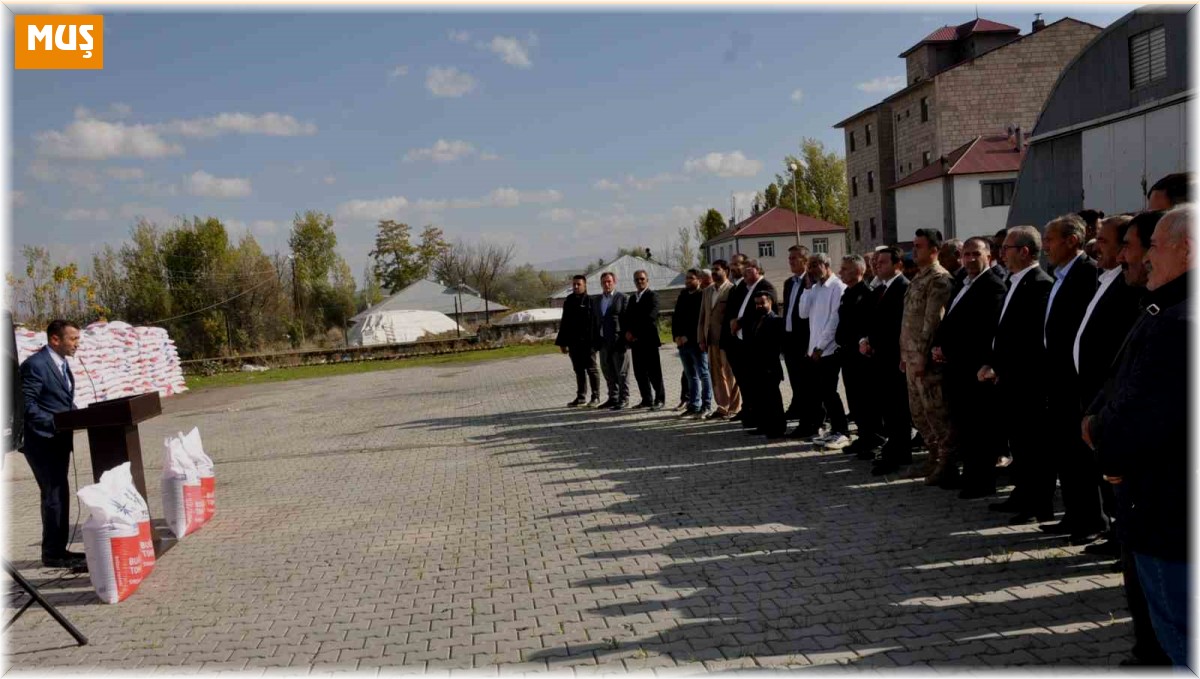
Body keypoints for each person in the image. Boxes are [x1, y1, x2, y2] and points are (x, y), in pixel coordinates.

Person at [1084, 206, 1192, 668]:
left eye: (1154, 248)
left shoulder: (1177, 324)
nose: (1146, 259)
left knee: (1180, 635)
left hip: (1167, 512)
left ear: (1186, 250)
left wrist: (1100, 432)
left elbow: (1143, 416)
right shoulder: (1166, 310)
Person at [978, 226, 1054, 524]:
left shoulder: (1039, 284)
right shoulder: (1014, 281)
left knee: (1034, 446)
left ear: (1024, 251)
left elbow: (1031, 339)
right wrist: (993, 363)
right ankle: (1022, 493)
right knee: (1020, 444)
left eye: (1006, 248)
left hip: (1028, 381)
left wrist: (1003, 367)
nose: (1001, 254)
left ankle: (1038, 503)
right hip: (1009, 378)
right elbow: (1004, 331)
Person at [1038, 214, 1099, 542]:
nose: (1045, 246)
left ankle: (1090, 521)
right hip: (1057, 379)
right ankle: (1074, 514)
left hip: (1074, 380)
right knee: (1064, 452)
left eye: (1050, 239)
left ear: (1072, 241)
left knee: (1079, 456)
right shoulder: (1060, 275)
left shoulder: (1087, 274)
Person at [930, 236, 1005, 495]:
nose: (971, 259)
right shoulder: (963, 283)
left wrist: (950, 351)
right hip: (955, 369)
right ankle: (971, 475)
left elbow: (984, 332)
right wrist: (938, 347)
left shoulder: (993, 286)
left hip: (974, 370)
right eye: (967, 254)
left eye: (976, 254)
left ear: (989, 257)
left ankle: (981, 481)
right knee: (964, 426)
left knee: (979, 429)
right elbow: (949, 321)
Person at [20, 319, 86, 570]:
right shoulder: (35, 366)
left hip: (58, 440)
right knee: (53, 495)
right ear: (55, 339)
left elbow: (59, 401)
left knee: (60, 493)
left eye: (78, 339)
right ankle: (52, 553)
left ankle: (58, 550)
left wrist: (77, 415)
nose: (77, 344)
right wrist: (56, 423)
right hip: (41, 441)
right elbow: (27, 406)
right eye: (73, 339)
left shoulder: (61, 364)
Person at [900, 228, 955, 484]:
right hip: (911, 359)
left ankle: (947, 464)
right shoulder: (918, 277)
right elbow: (909, 321)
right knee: (919, 414)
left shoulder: (939, 279)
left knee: (936, 413)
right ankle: (932, 459)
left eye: (919, 246)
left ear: (934, 250)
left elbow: (932, 321)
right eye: (914, 245)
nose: (914, 250)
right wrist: (905, 354)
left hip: (926, 362)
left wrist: (921, 355)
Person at [861, 247, 912, 474]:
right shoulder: (880, 290)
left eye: (882, 262)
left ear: (897, 265)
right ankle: (893, 447)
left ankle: (900, 453)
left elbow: (901, 325)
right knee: (887, 408)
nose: (877, 266)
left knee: (898, 408)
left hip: (895, 358)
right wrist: (866, 340)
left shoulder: (904, 288)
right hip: (879, 357)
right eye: (876, 262)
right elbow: (872, 322)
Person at [797, 252, 849, 448]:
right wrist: (808, 288)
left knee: (830, 392)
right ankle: (833, 428)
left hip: (828, 350)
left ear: (826, 265)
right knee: (822, 393)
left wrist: (820, 347)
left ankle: (842, 430)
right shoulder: (816, 288)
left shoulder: (837, 287)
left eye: (814, 265)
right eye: (809, 266)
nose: (810, 269)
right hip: (815, 350)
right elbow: (803, 313)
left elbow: (834, 321)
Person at [725, 258, 775, 429]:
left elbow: (760, 313)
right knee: (747, 382)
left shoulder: (765, 287)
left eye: (750, 268)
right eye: (744, 269)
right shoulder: (746, 289)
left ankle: (763, 419)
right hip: (742, 341)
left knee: (759, 386)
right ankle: (752, 414)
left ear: (759, 270)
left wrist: (739, 322)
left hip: (757, 344)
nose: (745, 271)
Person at [833, 255, 875, 455]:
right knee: (854, 399)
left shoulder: (866, 294)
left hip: (861, 356)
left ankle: (872, 437)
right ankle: (863, 435)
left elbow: (867, 326)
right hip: (848, 354)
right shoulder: (847, 294)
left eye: (845, 269)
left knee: (866, 399)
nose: (841, 272)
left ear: (859, 271)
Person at [780, 245, 814, 434]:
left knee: (807, 385)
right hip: (790, 340)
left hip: (805, 341)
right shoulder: (789, 283)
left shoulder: (811, 282)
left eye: (795, 258)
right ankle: (801, 416)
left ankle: (810, 422)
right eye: (790, 258)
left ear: (805, 261)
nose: (791, 261)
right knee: (796, 384)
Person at [698, 260, 738, 419]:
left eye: (717, 269)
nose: (714, 272)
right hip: (711, 340)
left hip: (727, 340)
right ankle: (722, 406)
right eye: (712, 269)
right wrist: (701, 338)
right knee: (716, 374)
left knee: (730, 375)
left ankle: (734, 408)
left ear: (726, 271)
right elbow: (702, 317)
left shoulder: (732, 290)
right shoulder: (707, 291)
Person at [623, 269, 666, 410]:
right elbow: (627, 317)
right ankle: (646, 399)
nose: (639, 281)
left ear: (647, 280)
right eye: (637, 279)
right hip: (635, 343)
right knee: (640, 372)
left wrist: (634, 331)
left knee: (654, 372)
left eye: (642, 279)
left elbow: (651, 317)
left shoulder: (653, 296)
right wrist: (628, 332)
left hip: (649, 340)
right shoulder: (632, 298)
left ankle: (659, 399)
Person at [555, 275, 600, 407]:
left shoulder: (591, 301)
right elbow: (565, 323)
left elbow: (595, 324)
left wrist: (595, 343)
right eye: (574, 284)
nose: (575, 286)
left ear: (585, 285)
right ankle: (581, 397)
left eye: (578, 284)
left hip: (588, 343)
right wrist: (562, 342)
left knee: (591, 370)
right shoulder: (568, 301)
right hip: (574, 343)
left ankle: (595, 396)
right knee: (578, 370)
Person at [673, 269, 712, 418]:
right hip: (681, 344)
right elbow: (676, 317)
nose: (688, 281)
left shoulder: (702, 296)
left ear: (699, 280)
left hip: (696, 343)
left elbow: (699, 320)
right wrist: (676, 336)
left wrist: (688, 337)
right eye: (687, 278)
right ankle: (693, 405)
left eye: (692, 278)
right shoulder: (683, 295)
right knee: (691, 376)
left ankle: (706, 405)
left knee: (703, 374)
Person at [747, 289, 786, 439]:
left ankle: (778, 428)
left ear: (770, 302)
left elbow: (776, 346)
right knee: (761, 399)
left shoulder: (775, 321)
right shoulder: (757, 320)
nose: (759, 306)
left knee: (773, 399)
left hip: (770, 367)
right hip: (757, 367)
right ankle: (764, 425)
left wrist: (769, 366)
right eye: (757, 304)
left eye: (762, 303)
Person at [592, 272, 630, 410]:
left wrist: (625, 339)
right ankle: (612, 397)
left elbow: (626, 320)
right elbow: (595, 321)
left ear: (614, 282)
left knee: (622, 372)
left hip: (618, 341)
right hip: (603, 342)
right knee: (607, 371)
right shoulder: (597, 300)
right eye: (604, 282)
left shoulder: (622, 298)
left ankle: (624, 398)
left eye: (609, 281)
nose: (606, 284)